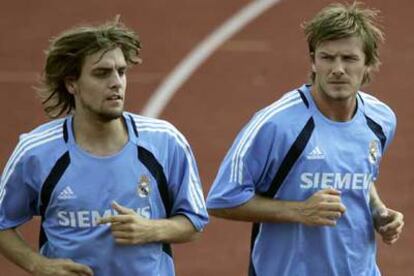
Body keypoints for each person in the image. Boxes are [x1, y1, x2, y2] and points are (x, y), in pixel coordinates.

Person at [206, 2, 404, 275]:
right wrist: (299, 211)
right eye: (327, 57)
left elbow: (359, 174)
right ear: (313, 60)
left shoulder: (381, 120)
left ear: (368, 64)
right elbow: (221, 200)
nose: (337, 69)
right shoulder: (277, 124)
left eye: (349, 59)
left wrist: (378, 211)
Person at [0, 19, 208, 276]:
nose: (116, 83)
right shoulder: (36, 152)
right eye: (102, 73)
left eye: (121, 72)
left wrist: (151, 229)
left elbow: (195, 221)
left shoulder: (165, 141)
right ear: (71, 83)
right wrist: (38, 264)